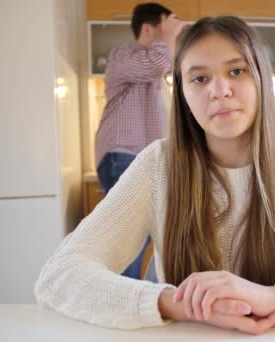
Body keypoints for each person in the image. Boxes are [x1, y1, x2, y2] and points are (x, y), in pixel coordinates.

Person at [35, 16, 275, 335]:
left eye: (236, 71)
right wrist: (173, 303)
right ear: (183, 94)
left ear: (259, 78)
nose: (219, 91)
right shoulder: (159, 164)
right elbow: (59, 276)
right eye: (200, 78)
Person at [94, 3, 183, 280]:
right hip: (124, 155)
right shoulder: (123, 54)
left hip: (141, 158)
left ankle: (131, 296)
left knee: (140, 236)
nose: (173, 35)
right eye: (168, 26)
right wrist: (168, 37)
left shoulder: (155, 70)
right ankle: (123, 301)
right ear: (147, 28)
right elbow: (158, 62)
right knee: (128, 239)